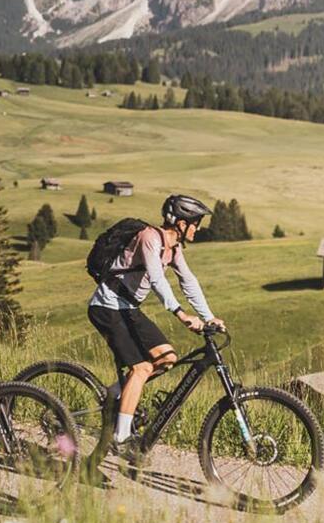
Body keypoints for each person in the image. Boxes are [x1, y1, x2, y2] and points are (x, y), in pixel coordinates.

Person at [87, 193, 224, 457]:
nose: (199, 227)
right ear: (180, 223)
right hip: (106, 306)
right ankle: (121, 437)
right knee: (142, 367)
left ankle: (113, 394)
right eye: (196, 222)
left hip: (128, 308)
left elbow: (189, 282)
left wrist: (208, 316)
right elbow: (158, 279)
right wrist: (181, 314)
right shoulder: (150, 237)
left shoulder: (174, 248)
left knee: (167, 358)